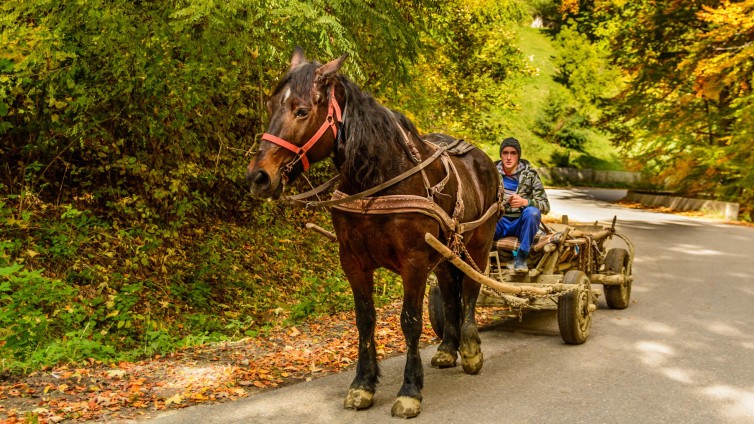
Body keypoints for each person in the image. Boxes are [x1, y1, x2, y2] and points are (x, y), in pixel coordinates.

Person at [494, 137, 550, 272]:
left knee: (533, 212)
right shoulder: (492, 173)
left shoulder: (531, 175)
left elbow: (545, 206)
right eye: (505, 153)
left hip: (520, 225)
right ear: (500, 155)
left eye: (513, 153)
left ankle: (521, 257)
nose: (508, 157)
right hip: (498, 222)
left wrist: (526, 202)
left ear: (518, 155)